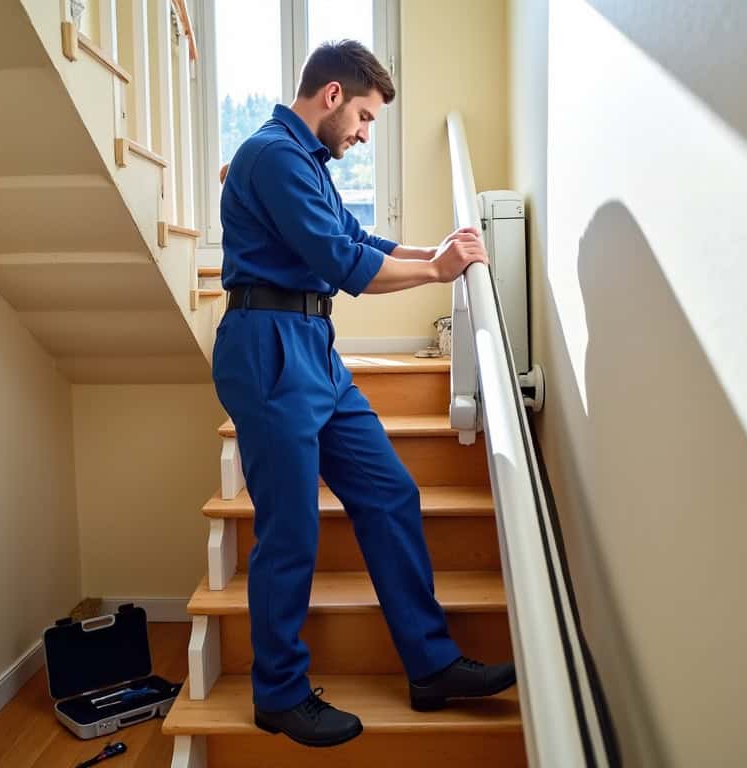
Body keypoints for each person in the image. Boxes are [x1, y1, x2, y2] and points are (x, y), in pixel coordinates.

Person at [211, 39, 516, 748]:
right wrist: (438, 272)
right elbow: (346, 265)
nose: (363, 132)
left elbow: (357, 237)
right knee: (290, 528)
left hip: (313, 347)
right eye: (366, 117)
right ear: (332, 96)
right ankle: (279, 693)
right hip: (267, 347)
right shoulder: (273, 155)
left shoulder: (307, 161)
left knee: (389, 491)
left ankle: (431, 664)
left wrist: (438, 251)